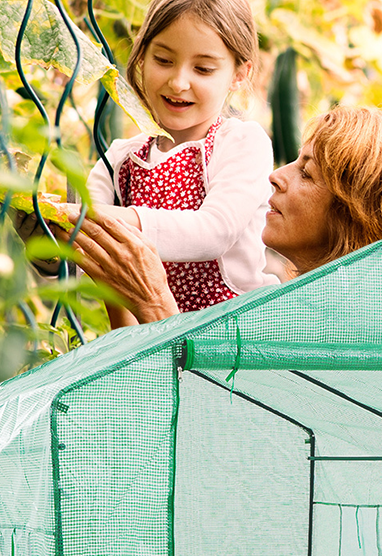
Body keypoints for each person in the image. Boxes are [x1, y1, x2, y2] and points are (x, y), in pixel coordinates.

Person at [69, 106, 382, 323]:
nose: (276, 176)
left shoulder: (353, 331)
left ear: (356, 215)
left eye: (306, 173)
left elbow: (221, 427)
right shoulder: (285, 308)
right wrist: (120, 288)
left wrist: (155, 301)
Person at [86, 0, 276, 325]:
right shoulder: (119, 160)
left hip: (236, 344)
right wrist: (46, 236)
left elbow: (213, 233)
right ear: (142, 56)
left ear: (239, 75)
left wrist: (102, 218)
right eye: (163, 59)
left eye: (203, 69)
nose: (178, 82)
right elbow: (80, 257)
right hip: (154, 345)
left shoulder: (242, 144)